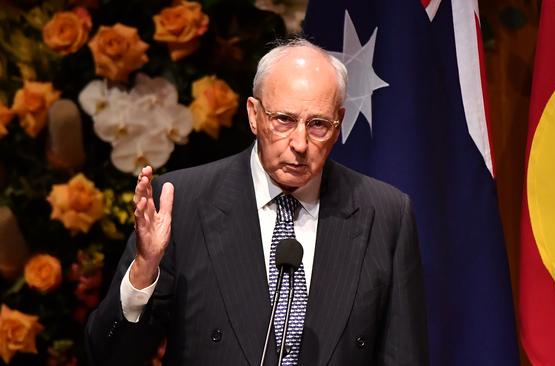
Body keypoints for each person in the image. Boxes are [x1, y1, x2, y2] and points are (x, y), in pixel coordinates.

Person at [85, 38, 428, 366]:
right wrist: (145, 270)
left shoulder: (385, 215)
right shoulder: (182, 202)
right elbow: (110, 357)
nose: (300, 142)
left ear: (338, 125)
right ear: (254, 115)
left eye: (318, 125)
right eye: (284, 120)